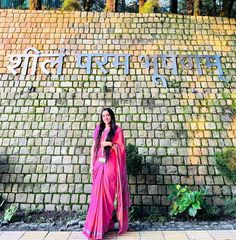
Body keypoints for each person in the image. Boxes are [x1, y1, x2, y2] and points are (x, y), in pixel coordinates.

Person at [82, 108, 131, 240]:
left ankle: (104, 224)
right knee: (96, 197)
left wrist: (109, 143)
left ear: (111, 116)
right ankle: (99, 227)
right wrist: (91, 165)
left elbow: (121, 148)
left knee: (108, 196)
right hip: (99, 164)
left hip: (111, 165)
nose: (105, 117)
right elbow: (93, 147)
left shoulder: (117, 130)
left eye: (108, 115)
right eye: (103, 115)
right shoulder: (98, 129)